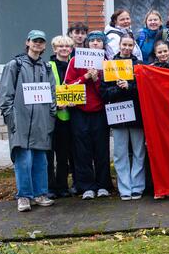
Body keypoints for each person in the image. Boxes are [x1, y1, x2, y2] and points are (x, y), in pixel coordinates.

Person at [0, 29, 56, 212]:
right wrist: (10, 117)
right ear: (28, 42)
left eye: (41, 41)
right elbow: (5, 94)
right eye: (34, 41)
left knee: (41, 160)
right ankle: (23, 196)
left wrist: (50, 115)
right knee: (24, 160)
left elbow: (52, 94)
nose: (38, 44)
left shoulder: (46, 67)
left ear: (44, 45)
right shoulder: (14, 65)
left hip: (41, 121)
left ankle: (40, 194)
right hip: (20, 120)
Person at [64, 31, 113, 200]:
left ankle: (103, 185)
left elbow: (110, 87)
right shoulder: (75, 60)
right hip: (80, 111)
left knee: (101, 149)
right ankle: (87, 186)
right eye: (92, 41)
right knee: (82, 151)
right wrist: (85, 77)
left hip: (100, 111)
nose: (95, 43)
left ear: (103, 44)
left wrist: (97, 78)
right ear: (87, 44)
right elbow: (68, 86)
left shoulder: (107, 62)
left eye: (99, 41)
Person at [100, 34, 145, 201]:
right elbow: (104, 93)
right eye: (124, 44)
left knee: (139, 153)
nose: (126, 48)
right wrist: (120, 89)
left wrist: (130, 86)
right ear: (119, 45)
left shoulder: (139, 65)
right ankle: (124, 188)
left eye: (130, 45)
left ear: (134, 46)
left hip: (136, 115)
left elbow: (144, 89)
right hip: (117, 114)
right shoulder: (109, 65)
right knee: (120, 154)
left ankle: (137, 187)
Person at [47, 35, 74, 198]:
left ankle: (63, 186)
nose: (64, 49)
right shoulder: (47, 66)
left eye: (67, 46)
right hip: (51, 116)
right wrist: (56, 103)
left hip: (69, 116)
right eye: (60, 46)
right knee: (49, 155)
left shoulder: (75, 64)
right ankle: (50, 187)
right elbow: (44, 89)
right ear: (55, 49)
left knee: (64, 154)